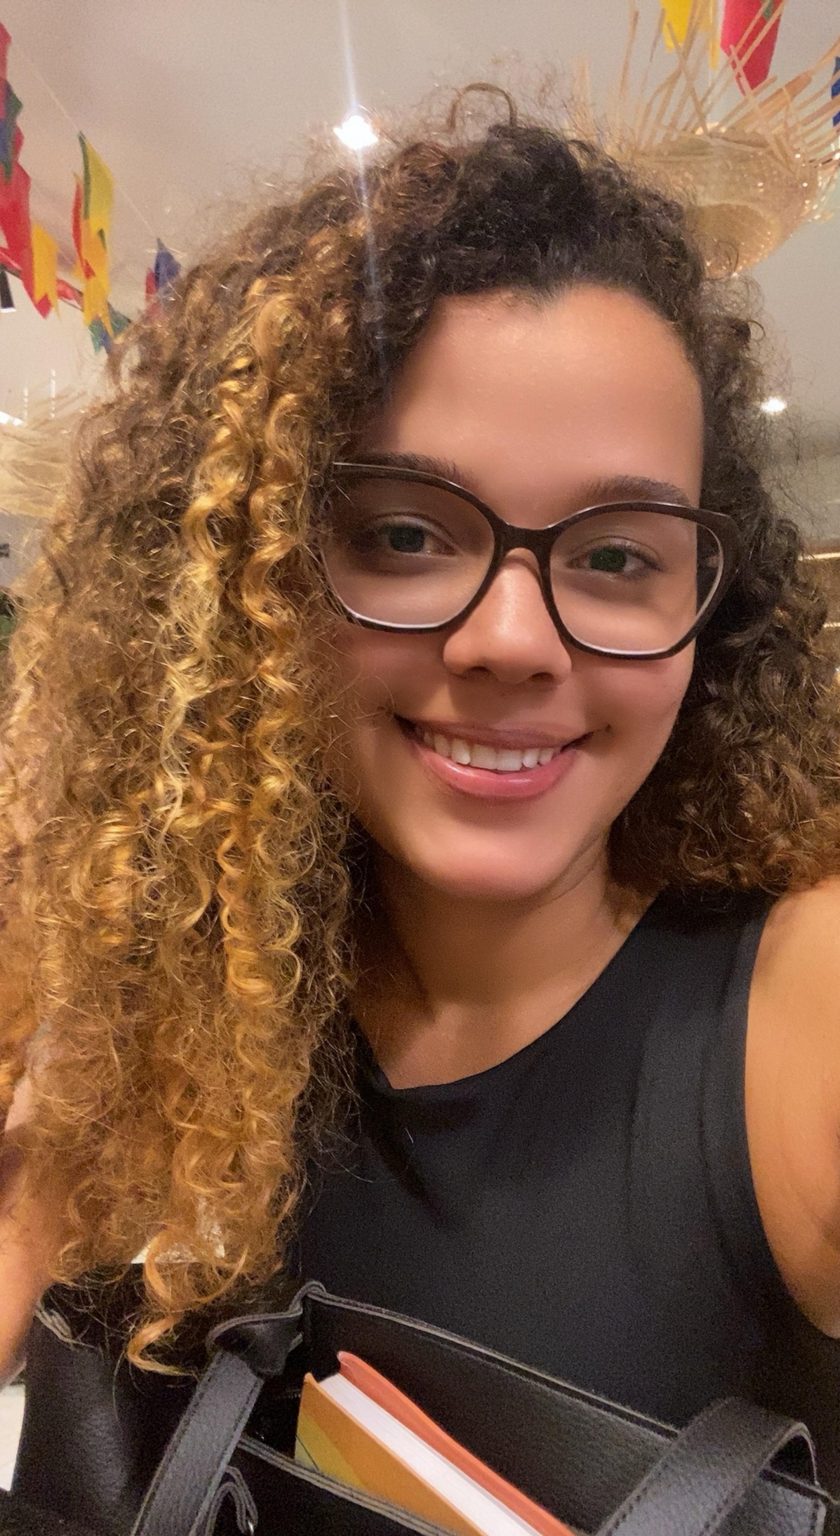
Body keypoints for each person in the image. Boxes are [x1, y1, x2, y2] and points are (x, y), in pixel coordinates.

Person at [3, 81, 840, 1518]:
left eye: (618, 557)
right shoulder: (153, 992)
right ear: (254, 584)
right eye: (403, 533)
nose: (513, 640)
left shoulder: (802, 1010)